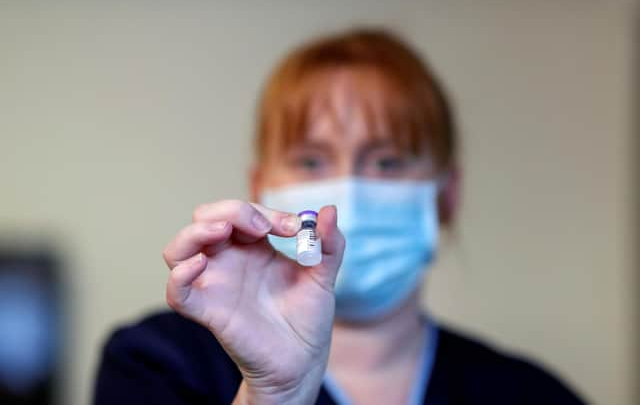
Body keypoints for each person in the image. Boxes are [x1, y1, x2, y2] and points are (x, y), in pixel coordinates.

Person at [94, 29, 585, 404]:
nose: (344, 196)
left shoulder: (531, 394)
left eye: (387, 161)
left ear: (446, 196)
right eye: (311, 161)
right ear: (260, 189)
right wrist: (274, 396)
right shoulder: (158, 362)